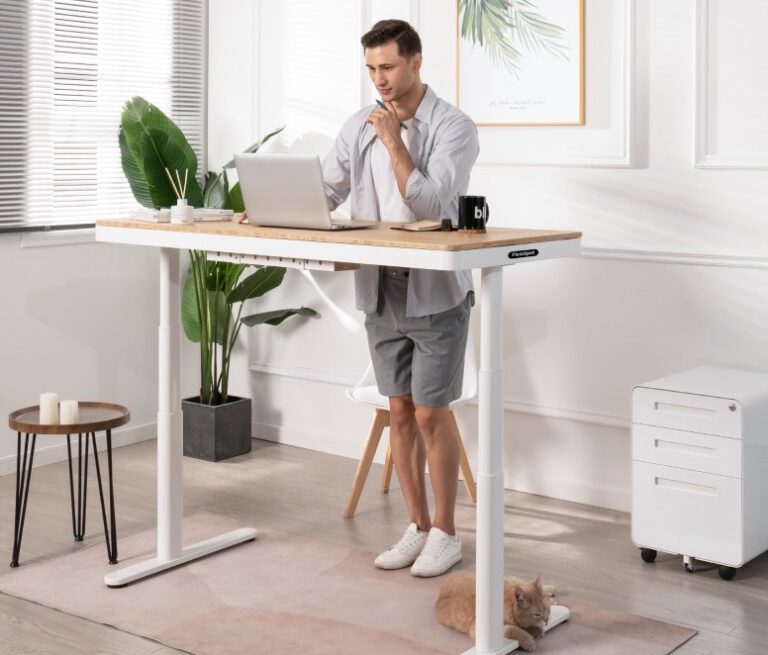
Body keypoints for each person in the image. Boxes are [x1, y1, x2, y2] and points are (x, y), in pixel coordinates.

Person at [325, 19, 479, 578]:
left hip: (435, 288)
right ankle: (416, 528)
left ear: (416, 62)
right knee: (398, 411)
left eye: (388, 67)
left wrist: (394, 144)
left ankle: (446, 534)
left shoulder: (454, 127)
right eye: (371, 69)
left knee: (432, 413)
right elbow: (326, 186)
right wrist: (270, 205)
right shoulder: (358, 124)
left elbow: (433, 204)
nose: (379, 80)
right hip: (380, 283)